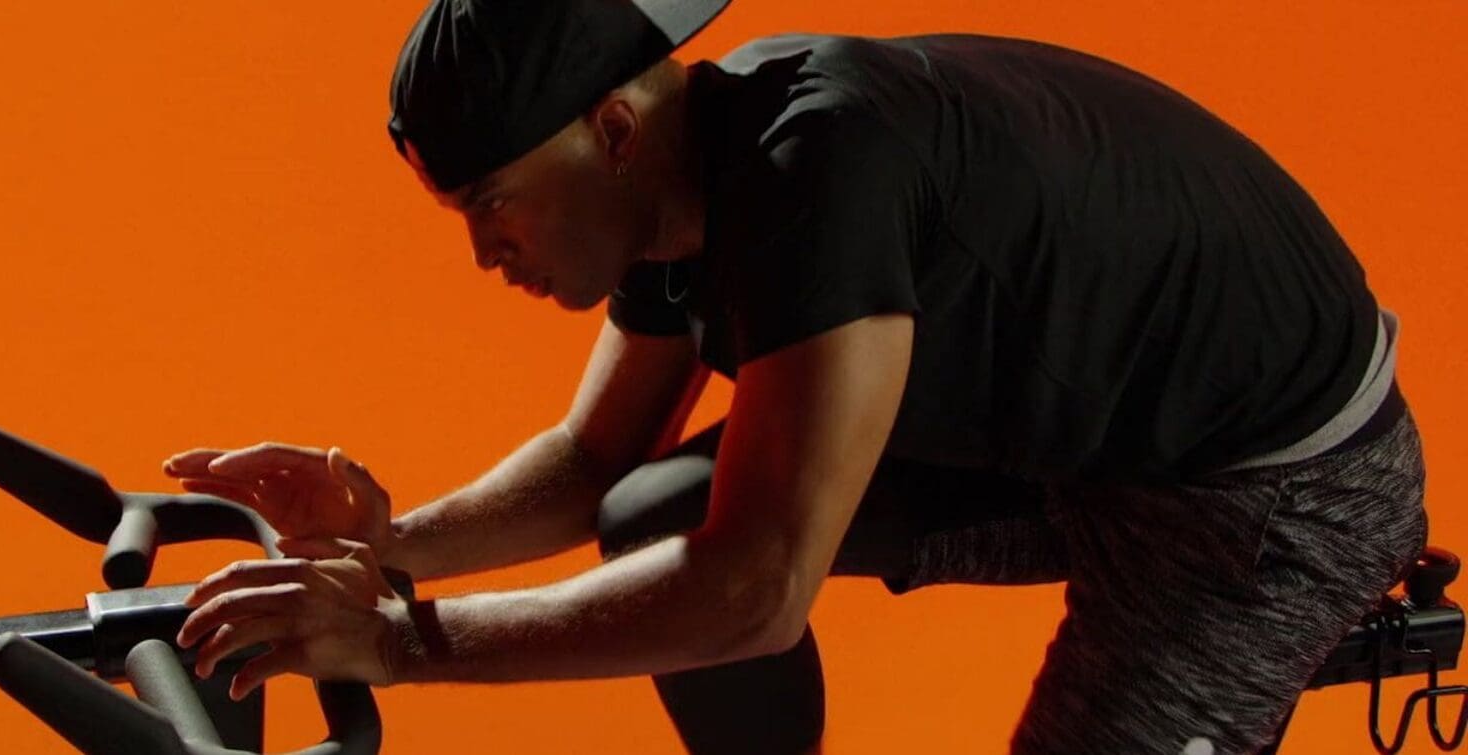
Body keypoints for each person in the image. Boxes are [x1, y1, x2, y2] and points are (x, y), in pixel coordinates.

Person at [164, 1, 1429, 752]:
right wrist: (390, 546)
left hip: (1261, 496)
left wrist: (397, 640)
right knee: (649, 510)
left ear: (612, 129)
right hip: (1075, 439)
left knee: (718, 560)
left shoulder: (819, 164)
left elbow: (754, 592)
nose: (487, 250)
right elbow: (594, 459)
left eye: (493, 203)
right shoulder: (685, 185)